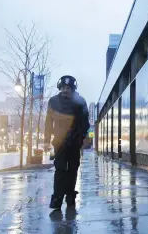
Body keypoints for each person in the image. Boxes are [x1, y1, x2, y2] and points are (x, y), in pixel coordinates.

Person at [44, 75, 90, 209]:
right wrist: (46, 140)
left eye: (68, 88)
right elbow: (48, 122)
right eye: (63, 87)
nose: (65, 90)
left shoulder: (80, 101)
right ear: (60, 88)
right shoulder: (53, 101)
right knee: (60, 169)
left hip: (75, 143)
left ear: (73, 89)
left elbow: (85, 123)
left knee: (73, 169)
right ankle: (57, 198)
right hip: (59, 142)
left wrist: (80, 137)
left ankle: (70, 196)